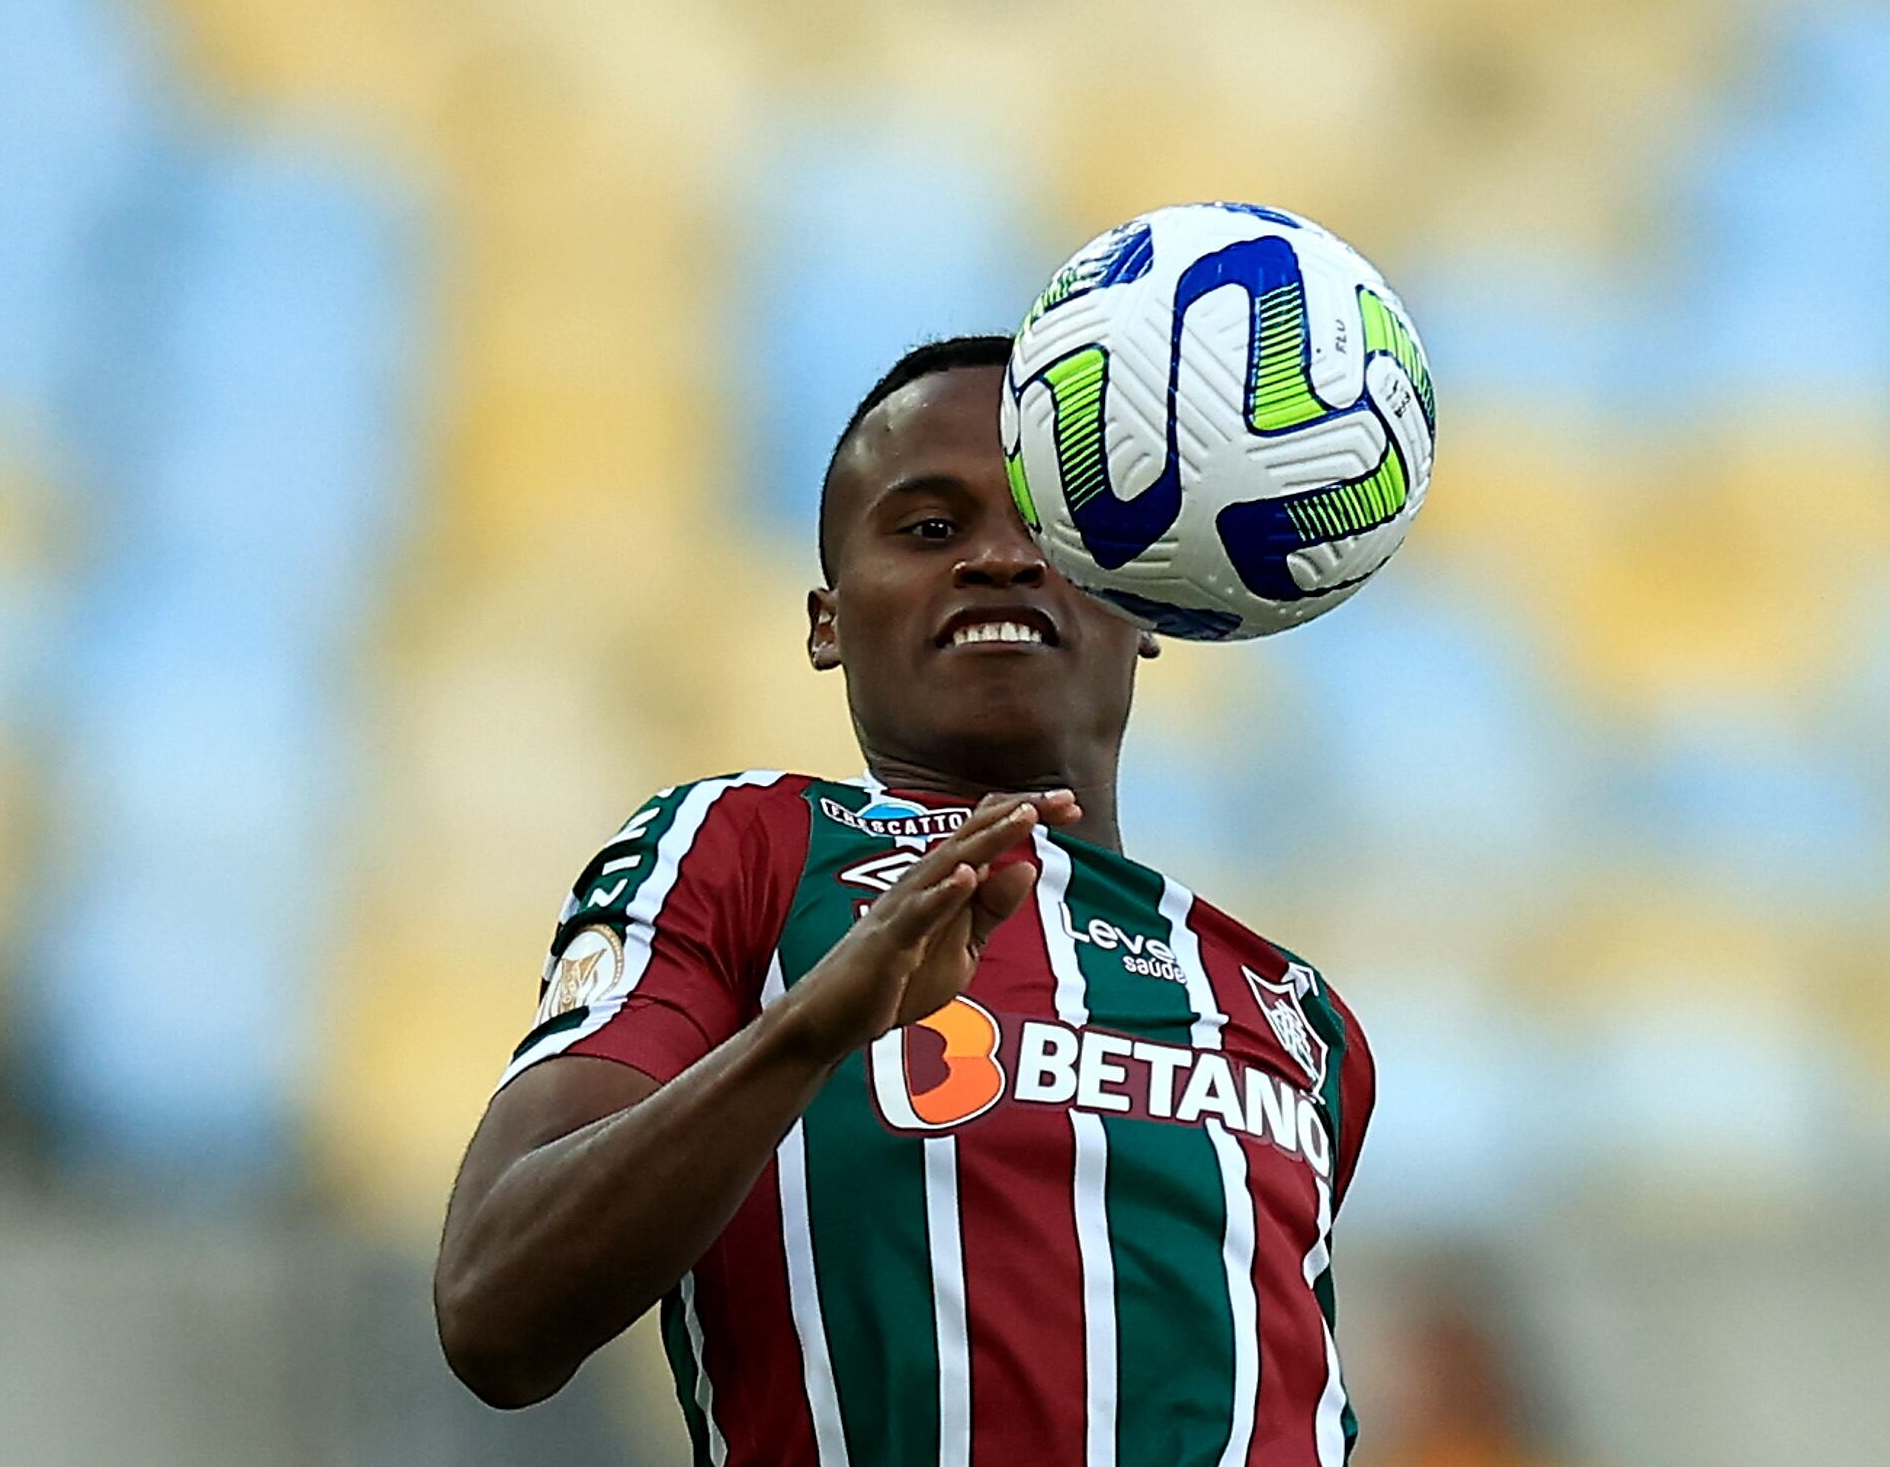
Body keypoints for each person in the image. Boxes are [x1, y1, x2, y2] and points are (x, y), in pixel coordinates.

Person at [436, 334, 1378, 1465]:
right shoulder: (746, 850)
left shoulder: (1294, 1010)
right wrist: (812, 1029)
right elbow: (495, 1310)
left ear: (1140, 602)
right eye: (930, 528)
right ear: (828, 621)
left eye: (1052, 527)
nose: (998, 558)